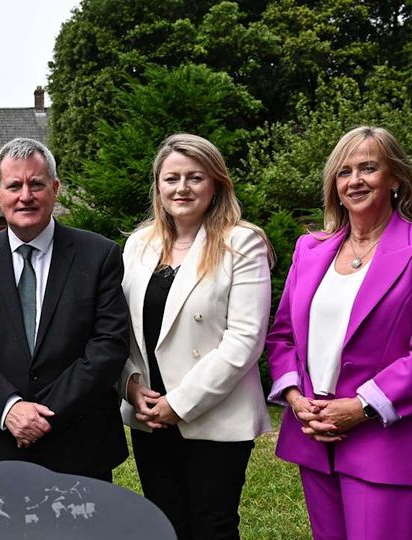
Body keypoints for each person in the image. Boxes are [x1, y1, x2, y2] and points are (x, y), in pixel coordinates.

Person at [267, 126, 412, 539]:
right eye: (344, 172)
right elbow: (283, 335)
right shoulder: (311, 248)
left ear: (394, 178)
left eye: (368, 168)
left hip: (386, 440)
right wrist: (294, 397)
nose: (354, 180)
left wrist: (361, 407)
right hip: (315, 432)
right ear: (334, 186)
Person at [0, 137, 130, 481]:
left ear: (55, 189)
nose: (25, 196)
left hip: (81, 445)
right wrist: (10, 408)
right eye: (14, 185)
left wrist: (46, 414)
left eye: (37, 184)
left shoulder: (98, 255)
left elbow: (108, 345)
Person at [118, 133, 273, 539]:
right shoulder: (138, 244)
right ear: (158, 186)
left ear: (216, 183)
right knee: (165, 524)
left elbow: (245, 340)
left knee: (212, 525)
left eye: (195, 177)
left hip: (214, 413)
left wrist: (181, 403)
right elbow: (120, 328)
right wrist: (131, 385)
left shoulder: (242, 243)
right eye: (171, 179)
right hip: (150, 413)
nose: (181, 188)